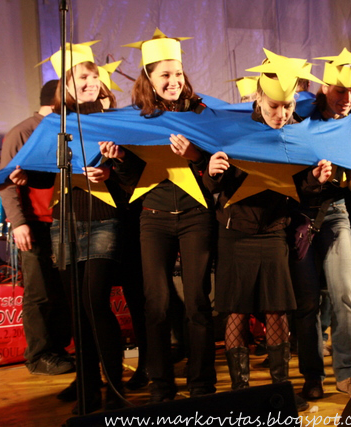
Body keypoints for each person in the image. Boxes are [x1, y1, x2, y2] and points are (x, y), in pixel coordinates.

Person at [203, 50, 324, 411]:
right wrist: (212, 171)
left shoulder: (296, 133)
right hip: (235, 231)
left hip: (273, 230)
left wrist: (315, 179)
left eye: (287, 107)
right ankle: (240, 392)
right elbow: (212, 185)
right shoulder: (232, 128)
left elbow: (300, 188)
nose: (281, 114)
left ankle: (280, 390)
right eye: (274, 106)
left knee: (277, 310)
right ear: (258, 98)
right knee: (236, 311)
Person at [104, 29, 217, 402]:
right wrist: (120, 159)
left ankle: (202, 384)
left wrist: (195, 156)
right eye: (165, 75)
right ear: (149, 79)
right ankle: (161, 385)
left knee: (197, 302)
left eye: (178, 73)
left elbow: (219, 168)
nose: (173, 81)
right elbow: (129, 181)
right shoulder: (136, 120)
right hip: (153, 218)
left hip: (196, 216)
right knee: (157, 303)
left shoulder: (201, 114)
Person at [26, 42, 128, 414]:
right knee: (77, 311)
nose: (90, 82)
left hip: (103, 218)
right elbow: (42, 175)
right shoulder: (55, 123)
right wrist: (25, 174)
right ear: (65, 85)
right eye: (81, 77)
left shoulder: (113, 118)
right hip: (65, 222)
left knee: (95, 302)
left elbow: (132, 172)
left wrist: (111, 170)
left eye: (93, 75)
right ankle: (88, 390)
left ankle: (114, 387)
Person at [291, 48, 351, 399]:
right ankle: (312, 375)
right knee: (308, 301)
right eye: (340, 91)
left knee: (344, 294)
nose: (347, 98)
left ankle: (348, 370)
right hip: (299, 216)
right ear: (324, 88)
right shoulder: (300, 114)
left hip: (336, 212)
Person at [0, 79, 74, 376]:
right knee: (40, 291)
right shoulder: (24, 131)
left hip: (64, 222)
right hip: (35, 222)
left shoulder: (65, 128)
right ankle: (39, 355)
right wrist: (18, 223)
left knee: (61, 291)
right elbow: (6, 181)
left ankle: (58, 349)